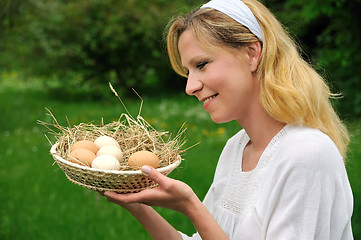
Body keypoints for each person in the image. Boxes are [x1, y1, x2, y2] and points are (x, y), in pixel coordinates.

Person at [101, 0, 354, 239]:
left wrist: (191, 206)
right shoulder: (237, 148)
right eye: (188, 71)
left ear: (252, 54)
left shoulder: (307, 153)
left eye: (202, 64)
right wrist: (133, 201)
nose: (190, 87)